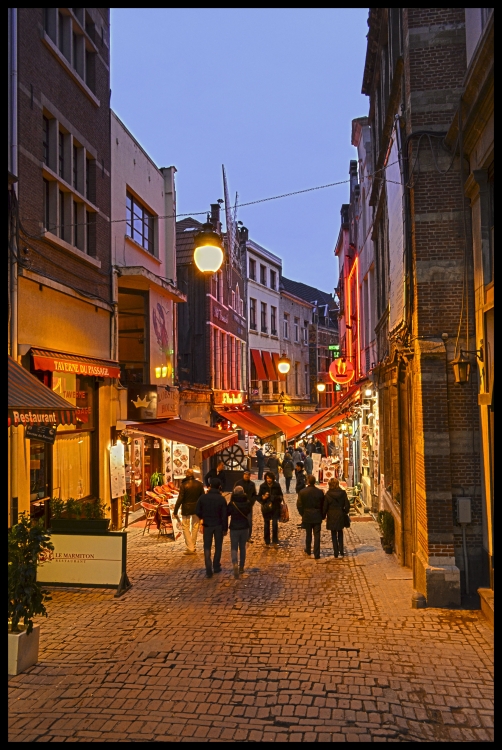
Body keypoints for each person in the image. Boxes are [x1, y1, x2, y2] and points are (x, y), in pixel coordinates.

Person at [195, 477, 228, 578]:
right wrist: (225, 528)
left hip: (208, 525)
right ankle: (216, 565)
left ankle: (208, 568)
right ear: (219, 487)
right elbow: (224, 515)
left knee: (207, 547)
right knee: (218, 546)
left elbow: (197, 510)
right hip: (218, 525)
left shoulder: (203, 498)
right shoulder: (221, 499)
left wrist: (202, 517)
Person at [173, 468, 205, 555]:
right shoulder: (199, 484)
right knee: (195, 526)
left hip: (186, 508)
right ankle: (192, 545)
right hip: (196, 508)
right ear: (193, 474)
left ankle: (190, 547)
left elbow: (180, 499)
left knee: (185, 527)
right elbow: (203, 497)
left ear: (186, 474)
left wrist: (175, 510)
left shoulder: (184, 484)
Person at [297, 474, 325, 560]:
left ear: (308, 481)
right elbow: (323, 505)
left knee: (308, 534)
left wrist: (303, 513)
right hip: (317, 515)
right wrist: (322, 515)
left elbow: (299, 505)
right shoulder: (319, 492)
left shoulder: (302, 492)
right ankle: (317, 553)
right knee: (317, 535)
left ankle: (308, 549)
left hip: (307, 515)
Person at [227, 486, 252, 579]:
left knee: (234, 547)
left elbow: (227, 513)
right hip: (244, 527)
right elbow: (249, 512)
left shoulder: (232, 503)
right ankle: (241, 567)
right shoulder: (247, 502)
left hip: (234, 527)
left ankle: (234, 563)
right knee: (242, 547)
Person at [323, 478, 350, 557]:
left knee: (333, 533)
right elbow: (347, 505)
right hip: (340, 513)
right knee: (340, 532)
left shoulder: (328, 494)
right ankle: (341, 550)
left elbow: (325, 506)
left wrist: (324, 515)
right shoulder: (343, 493)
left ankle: (335, 552)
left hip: (331, 514)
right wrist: (345, 512)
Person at [257, 471, 284, 546]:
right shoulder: (262, 486)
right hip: (266, 508)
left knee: (275, 524)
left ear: (273, 478)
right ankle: (267, 540)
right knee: (266, 524)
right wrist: (263, 497)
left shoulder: (277, 485)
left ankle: (275, 539)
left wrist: (275, 497)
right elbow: (258, 497)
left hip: (275, 507)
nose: (268, 480)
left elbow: (281, 496)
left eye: (270, 478)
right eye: (267, 478)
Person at [235, 470, 257, 543]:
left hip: (248, 506)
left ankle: (248, 537)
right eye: (245, 474)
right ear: (243, 475)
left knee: (249, 522)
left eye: (248, 475)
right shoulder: (238, 483)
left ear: (250, 476)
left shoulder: (252, 484)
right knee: (239, 521)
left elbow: (254, 495)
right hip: (239, 505)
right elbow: (234, 494)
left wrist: (251, 502)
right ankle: (239, 537)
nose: (246, 476)